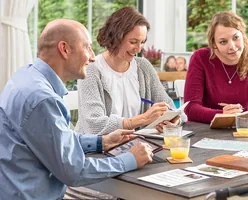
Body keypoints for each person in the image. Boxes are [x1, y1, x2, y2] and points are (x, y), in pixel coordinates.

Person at [0, 19, 154, 199]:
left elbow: (53, 138)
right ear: (64, 49)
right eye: (87, 47)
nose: (92, 57)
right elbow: (74, 171)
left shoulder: (26, 76)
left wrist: (101, 142)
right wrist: (130, 159)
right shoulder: (43, 99)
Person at [75, 6, 185, 135]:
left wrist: (173, 121)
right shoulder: (91, 69)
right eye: (133, 42)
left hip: (133, 144)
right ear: (115, 37)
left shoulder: (143, 67)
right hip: (97, 148)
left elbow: (174, 110)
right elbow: (94, 125)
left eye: (142, 42)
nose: (139, 49)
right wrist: (142, 119)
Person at [184, 11, 248, 126]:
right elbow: (190, 108)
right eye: (223, 42)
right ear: (214, 44)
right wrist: (221, 115)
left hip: (239, 131)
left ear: (243, 36)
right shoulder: (200, 58)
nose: (232, 46)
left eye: (236, 37)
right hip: (203, 131)